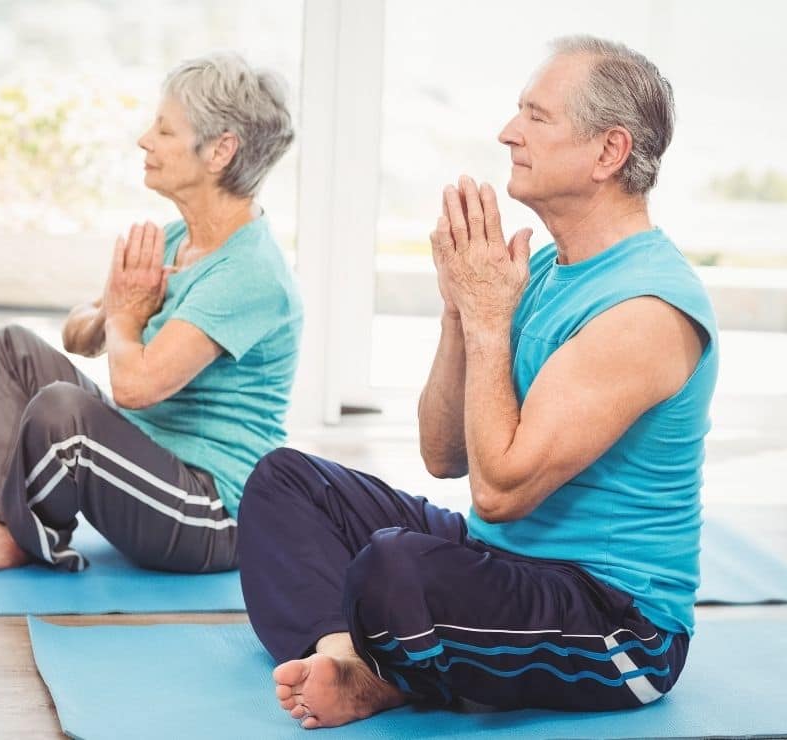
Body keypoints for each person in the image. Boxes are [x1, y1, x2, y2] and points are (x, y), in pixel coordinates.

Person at [238, 35, 717, 728]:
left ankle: (388, 664)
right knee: (284, 482)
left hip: (616, 625)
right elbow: (445, 455)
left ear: (608, 153)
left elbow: (500, 491)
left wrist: (492, 318)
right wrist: (461, 312)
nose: (508, 133)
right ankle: (352, 660)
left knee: (393, 567)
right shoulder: (547, 271)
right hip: (502, 561)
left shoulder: (646, 311)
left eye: (537, 116)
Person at [0, 52, 302, 579]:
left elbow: (135, 387)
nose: (145, 140)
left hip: (210, 514)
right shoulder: (174, 240)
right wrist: (115, 312)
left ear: (220, 150)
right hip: (146, 468)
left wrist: (124, 318)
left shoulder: (250, 272)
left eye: (164, 130)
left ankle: (25, 538)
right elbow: (81, 333)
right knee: (11, 349)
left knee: (63, 415)